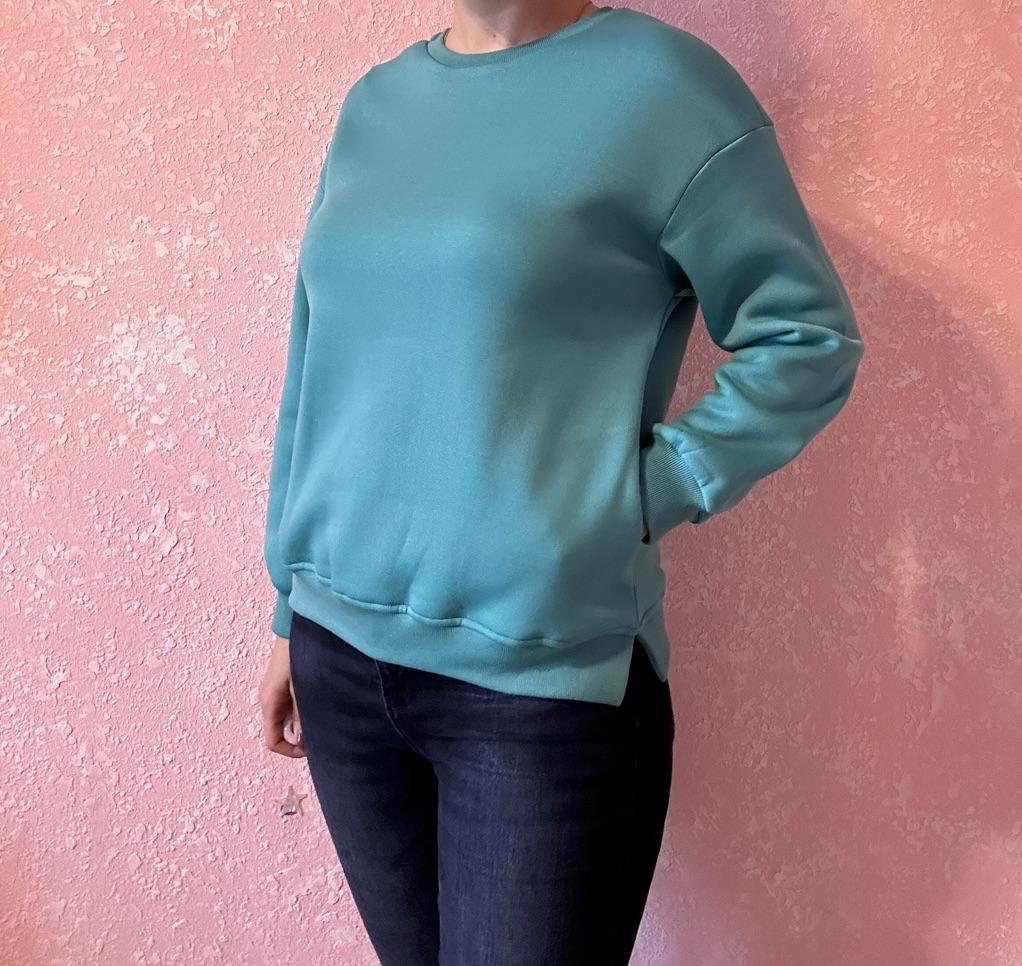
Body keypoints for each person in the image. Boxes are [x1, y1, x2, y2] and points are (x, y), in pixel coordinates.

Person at [257, 2, 865, 963]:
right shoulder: (377, 103)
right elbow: (316, 360)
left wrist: (641, 494)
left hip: (536, 689)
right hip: (339, 662)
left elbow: (806, 338)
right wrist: (291, 608)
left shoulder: (666, 89)